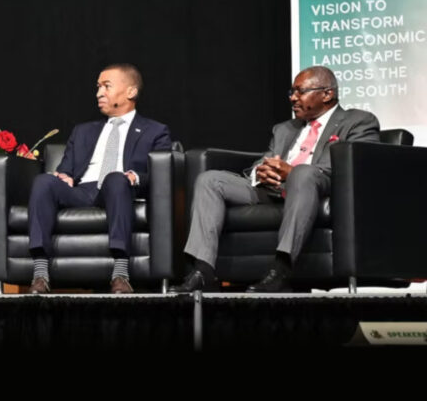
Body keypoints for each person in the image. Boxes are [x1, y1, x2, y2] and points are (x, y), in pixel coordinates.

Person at [170, 66, 380, 293]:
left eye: (300, 92)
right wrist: (259, 172)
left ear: (327, 94)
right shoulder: (284, 129)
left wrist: (290, 172)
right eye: (291, 92)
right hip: (271, 189)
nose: (293, 98)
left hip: (318, 186)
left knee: (302, 173)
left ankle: (281, 269)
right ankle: (203, 271)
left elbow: (359, 164)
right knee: (210, 180)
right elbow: (266, 160)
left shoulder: (358, 121)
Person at [27, 63, 172, 294]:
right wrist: (63, 176)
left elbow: (161, 173)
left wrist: (134, 177)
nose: (98, 93)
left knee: (115, 179)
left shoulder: (154, 131)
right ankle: (40, 274)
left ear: (131, 92)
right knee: (44, 181)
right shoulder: (83, 131)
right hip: (83, 190)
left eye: (106, 86)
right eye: (97, 87)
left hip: (120, 190)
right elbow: (67, 168)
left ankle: (121, 274)